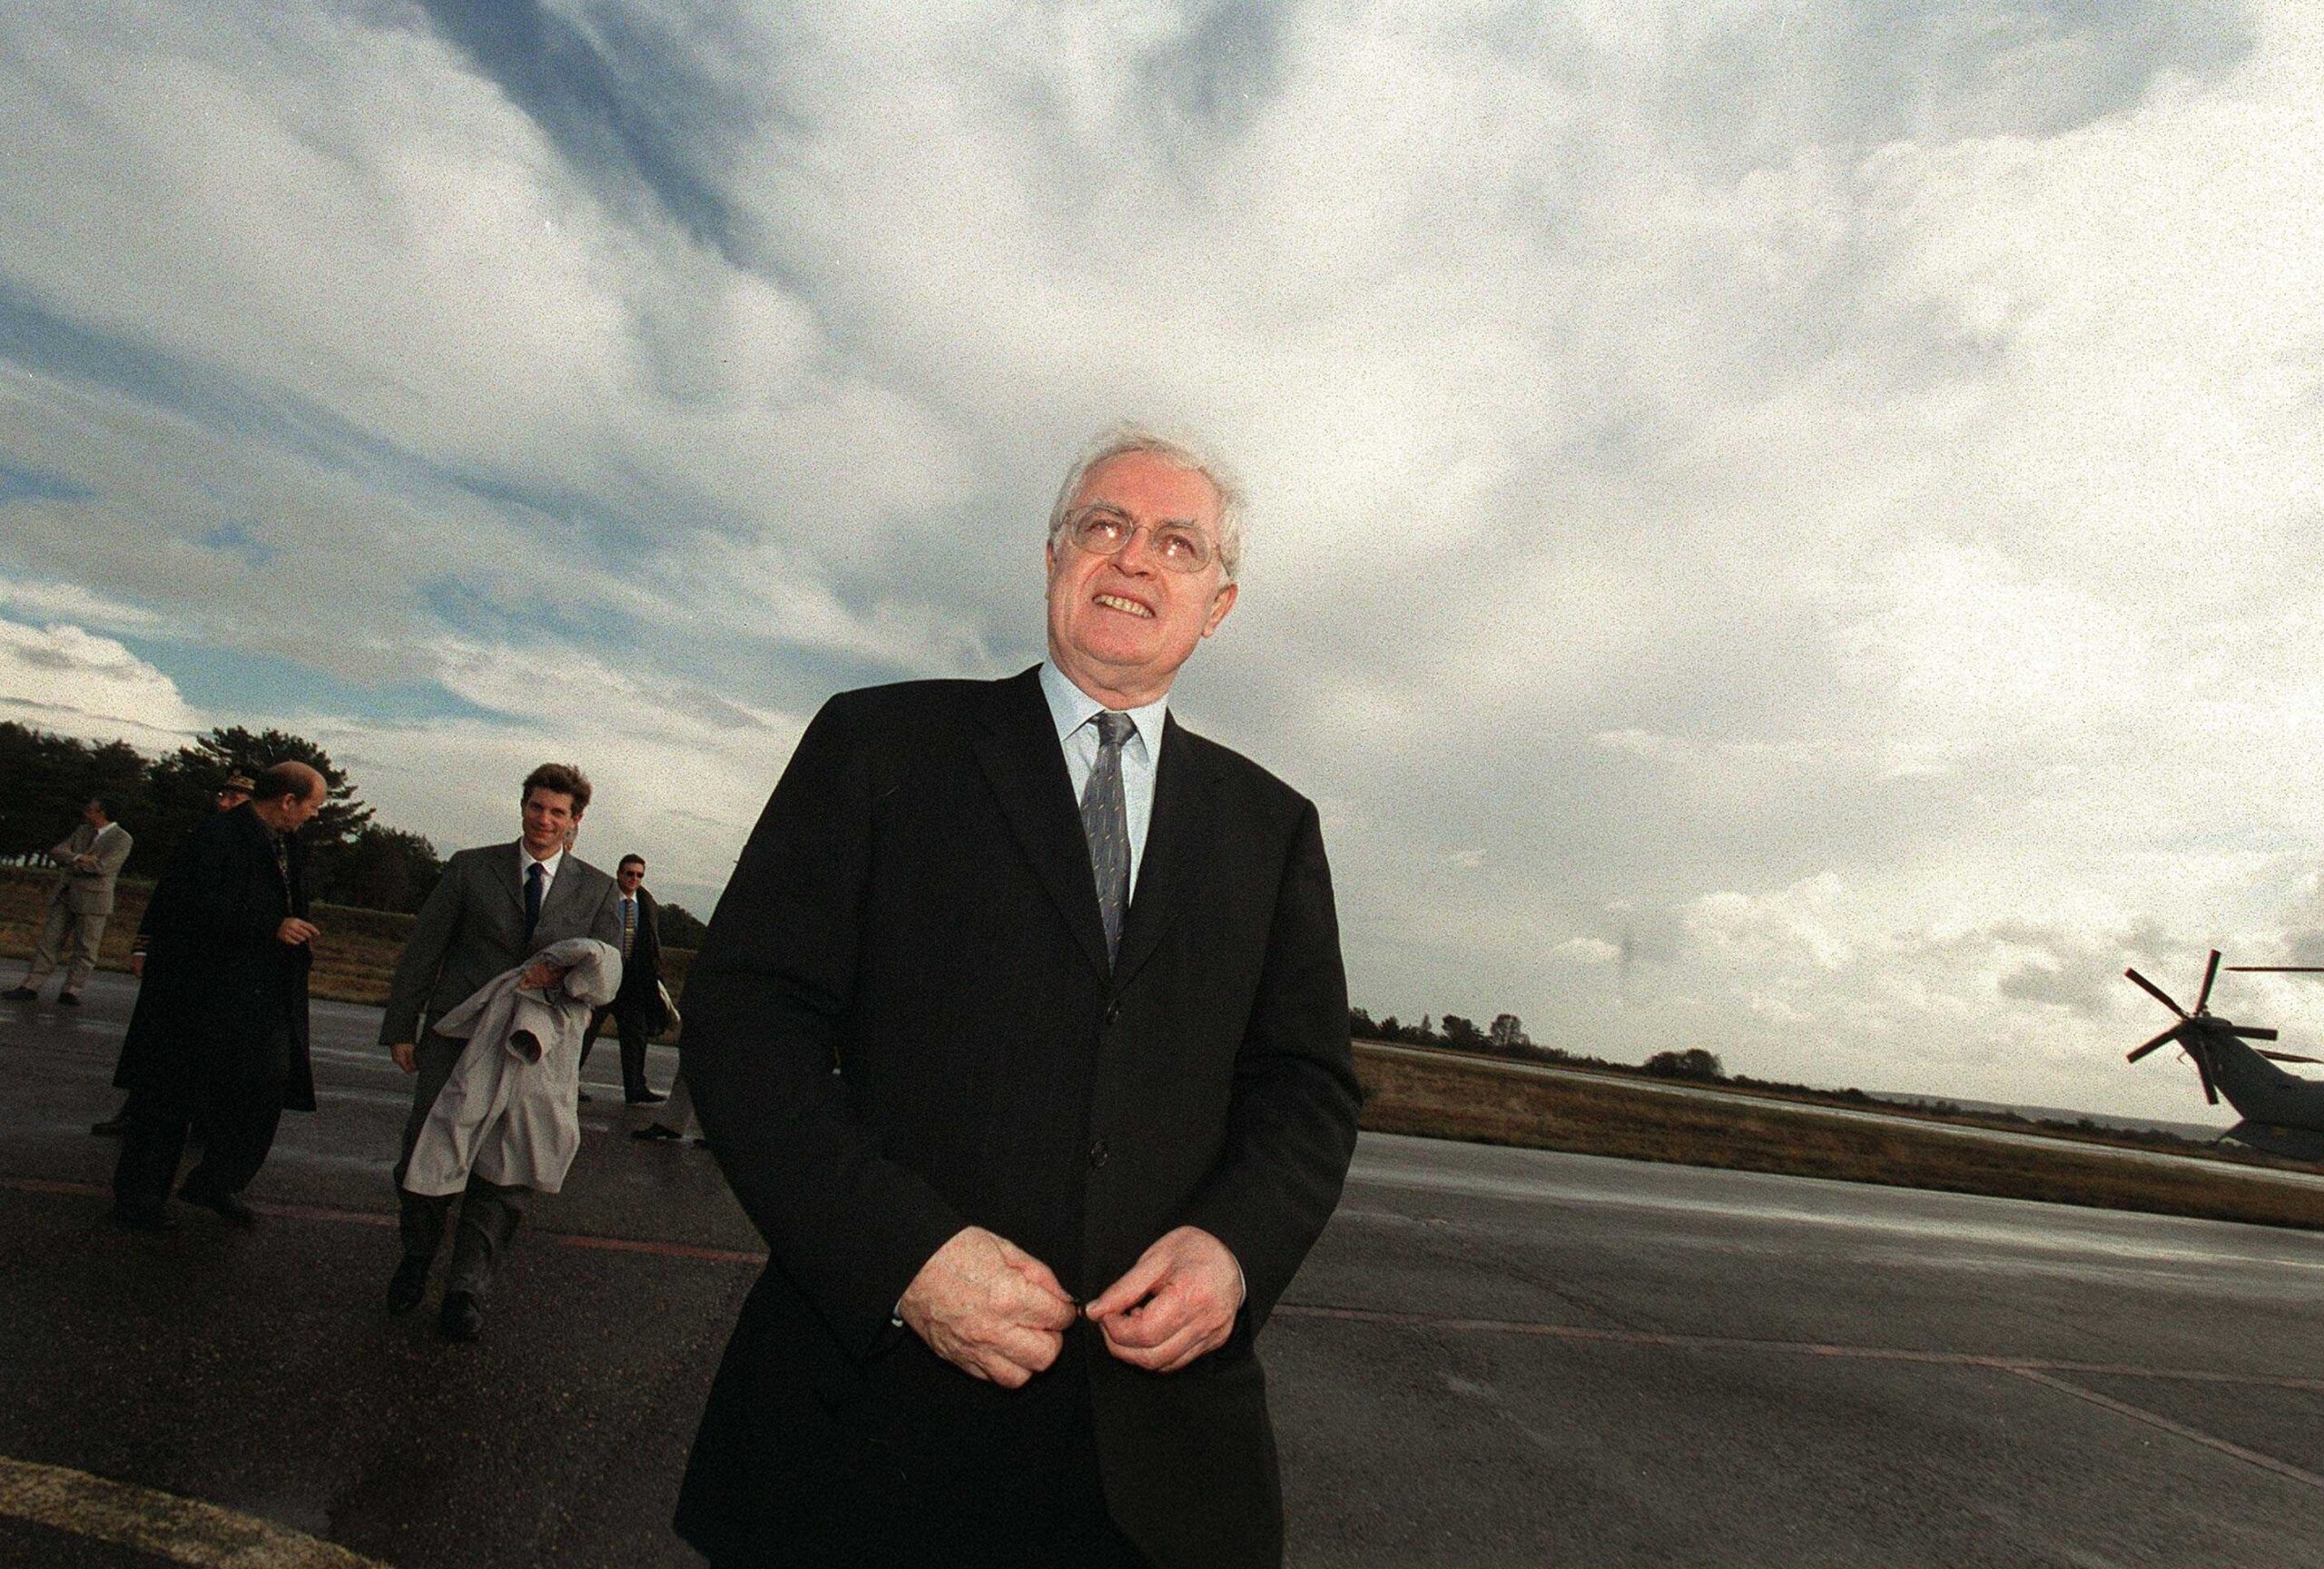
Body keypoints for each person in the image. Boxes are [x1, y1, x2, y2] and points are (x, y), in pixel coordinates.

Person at [675, 429, 1362, 1568]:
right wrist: (906, 1257)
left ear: (1218, 603)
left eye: (1176, 544)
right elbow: (748, 1025)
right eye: (1105, 527)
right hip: (870, 1436)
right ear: (1053, 560)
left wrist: (1234, 1251)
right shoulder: (880, 745)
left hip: (1156, 1471)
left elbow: (1305, 1087)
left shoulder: (1271, 828)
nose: (1135, 559)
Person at [379, 764, 623, 1341]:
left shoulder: (597, 888)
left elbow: (607, 973)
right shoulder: (470, 867)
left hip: (532, 1047)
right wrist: (400, 1027)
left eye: (557, 813)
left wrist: (557, 985)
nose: (544, 820)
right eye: (536, 807)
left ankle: (466, 1290)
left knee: (506, 1170)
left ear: (575, 821)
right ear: (522, 808)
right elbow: (424, 950)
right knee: (424, 1151)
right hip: (456, 1037)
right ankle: (418, 1253)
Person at [108, 764, 325, 1230]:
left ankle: (215, 1181)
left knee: (264, 1088)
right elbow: (190, 905)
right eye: (312, 806)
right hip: (197, 989)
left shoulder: (290, 844)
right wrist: (270, 927)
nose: (314, 815)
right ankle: (138, 1203)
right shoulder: (216, 836)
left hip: (263, 991)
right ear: (287, 800)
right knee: (169, 1098)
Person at [95, 774, 257, 1138]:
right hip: (175, 952)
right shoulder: (200, 835)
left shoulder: (258, 846)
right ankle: (137, 1109)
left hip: (220, 960)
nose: (224, 803)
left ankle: (201, 1121)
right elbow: (167, 894)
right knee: (152, 1035)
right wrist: (143, 944)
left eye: (236, 798)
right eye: (224, 795)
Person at [5, 796, 133, 1005]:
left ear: (102, 813)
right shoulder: (82, 831)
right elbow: (58, 852)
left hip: (94, 900)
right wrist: (79, 858)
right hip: (67, 894)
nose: (86, 813)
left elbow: (102, 867)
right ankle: (30, 986)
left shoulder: (122, 839)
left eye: (90, 810)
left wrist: (74, 859)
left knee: (86, 947)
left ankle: (72, 990)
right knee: (49, 941)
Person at [577, 853, 667, 1104]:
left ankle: (636, 1088)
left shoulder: (647, 904)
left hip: (633, 981)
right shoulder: (603, 899)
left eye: (639, 875)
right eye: (629, 873)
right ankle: (568, 1082)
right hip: (603, 976)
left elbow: (651, 941)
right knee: (586, 1030)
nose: (634, 879)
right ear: (619, 874)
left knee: (636, 1034)